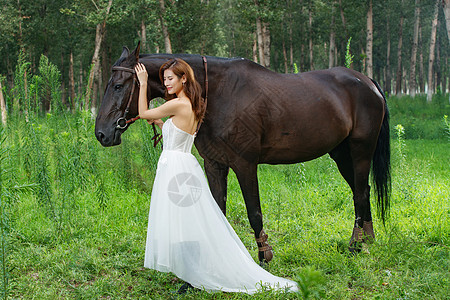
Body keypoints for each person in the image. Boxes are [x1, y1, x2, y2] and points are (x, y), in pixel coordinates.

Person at [134, 58, 298, 294]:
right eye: (164, 80)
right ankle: (191, 269)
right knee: (185, 219)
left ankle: (195, 273)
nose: (166, 84)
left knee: (184, 221)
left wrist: (142, 84)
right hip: (180, 163)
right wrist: (162, 124)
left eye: (170, 79)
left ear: (183, 79)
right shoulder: (188, 103)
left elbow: (141, 112)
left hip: (176, 168)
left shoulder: (179, 104)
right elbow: (178, 135)